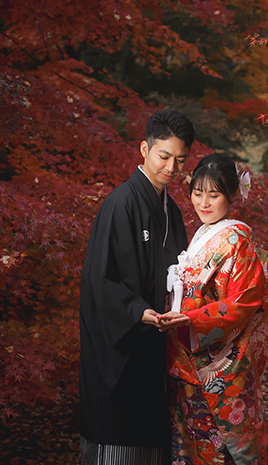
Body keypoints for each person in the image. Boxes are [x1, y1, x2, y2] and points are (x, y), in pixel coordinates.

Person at [79, 109, 194, 465]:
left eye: (180, 160)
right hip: (121, 343)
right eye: (164, 156)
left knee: (151, 443)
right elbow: (102, 278)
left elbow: (182, 272)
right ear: (144, 148)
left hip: (156, 342)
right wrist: (137, 311)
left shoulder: (171, 211)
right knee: (117, 441)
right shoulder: (120, 204)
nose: (172, 168)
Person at [166, 153, 268, 465]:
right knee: (192, 446)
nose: (204, 202)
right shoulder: (204, 235)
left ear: (231, 195)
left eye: (213, 195)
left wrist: (189, 319)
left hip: (217, 364)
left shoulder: (236, 241)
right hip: (187, 360)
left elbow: (241, 304)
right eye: (197, 193)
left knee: (222, 451)